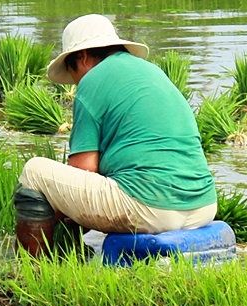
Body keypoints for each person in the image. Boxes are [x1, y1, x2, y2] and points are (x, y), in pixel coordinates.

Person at [15, 14, 217, 256]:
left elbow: (84, 169)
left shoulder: (92, 80)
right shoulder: (152, 72)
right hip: (203, 206)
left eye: (73, 72)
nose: (77, 82)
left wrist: (48, 211)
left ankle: (31, 270)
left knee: (34, 172)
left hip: (151, 208)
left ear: (82, 57)